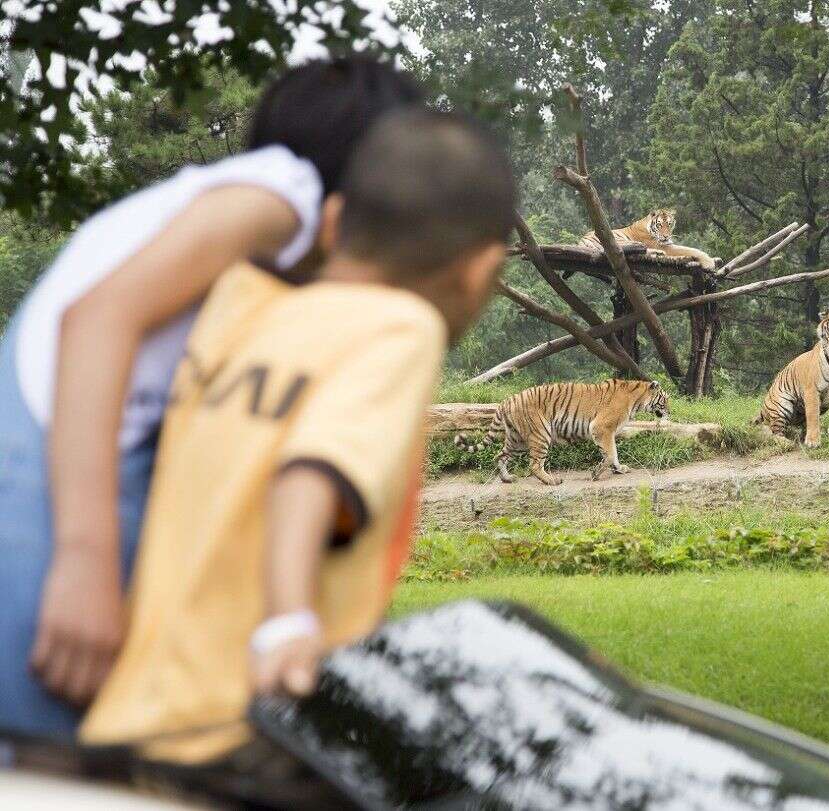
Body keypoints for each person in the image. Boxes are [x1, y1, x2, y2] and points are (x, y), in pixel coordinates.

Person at [0, 57, 425, 739]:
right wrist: (84, 560)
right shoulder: (282, 193)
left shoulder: (235, 212)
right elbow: (98, 319)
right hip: (49, 493)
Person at [78, 108, 516, 765]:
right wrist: (288, 622)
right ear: (483, 270)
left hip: (126, 719)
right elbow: (311, 471)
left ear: (335, 221)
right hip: (250, 728)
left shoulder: (240, 303)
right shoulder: (400, 328)